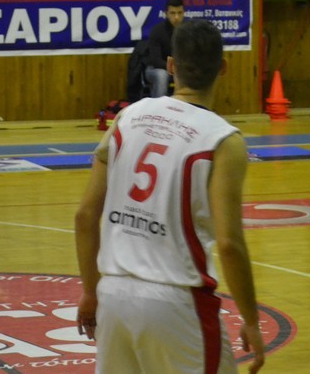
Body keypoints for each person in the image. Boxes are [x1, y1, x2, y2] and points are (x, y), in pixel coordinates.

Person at [74, 19, 265, 374]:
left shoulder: (127, 117)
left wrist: (89, 290)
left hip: (113, 295)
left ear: (172, 65)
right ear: (223, 68)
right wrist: (251, 319)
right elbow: (229, 244)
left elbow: (85, 216)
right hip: (177, 301)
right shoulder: (223, 140)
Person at [127, 0, 185, 101]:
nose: (176, 17)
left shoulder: (189, 31)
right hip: (156, 68)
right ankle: (158, 108)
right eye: (172, 13)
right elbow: (155, 60)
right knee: (161, 75)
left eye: (179, 13)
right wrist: (173, 68)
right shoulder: (158, 31)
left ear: (184, 13)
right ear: (166, 14)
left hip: (179, 69)